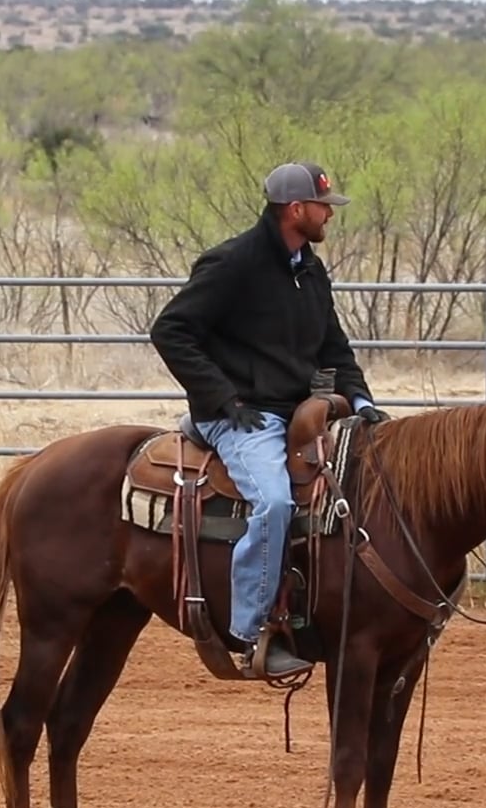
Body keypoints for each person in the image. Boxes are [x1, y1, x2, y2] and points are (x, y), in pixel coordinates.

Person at [149, 161, 389, 679]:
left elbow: (334, 348)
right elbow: (170, 330)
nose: (330, 215)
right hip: (242, 417)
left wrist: (361, 401)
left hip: (299, 415)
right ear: (295, 210)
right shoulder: (233, 264)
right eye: (323, 207)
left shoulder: (309, 271)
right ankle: (252, 631)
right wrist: (222, 398)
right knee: (275, 501)